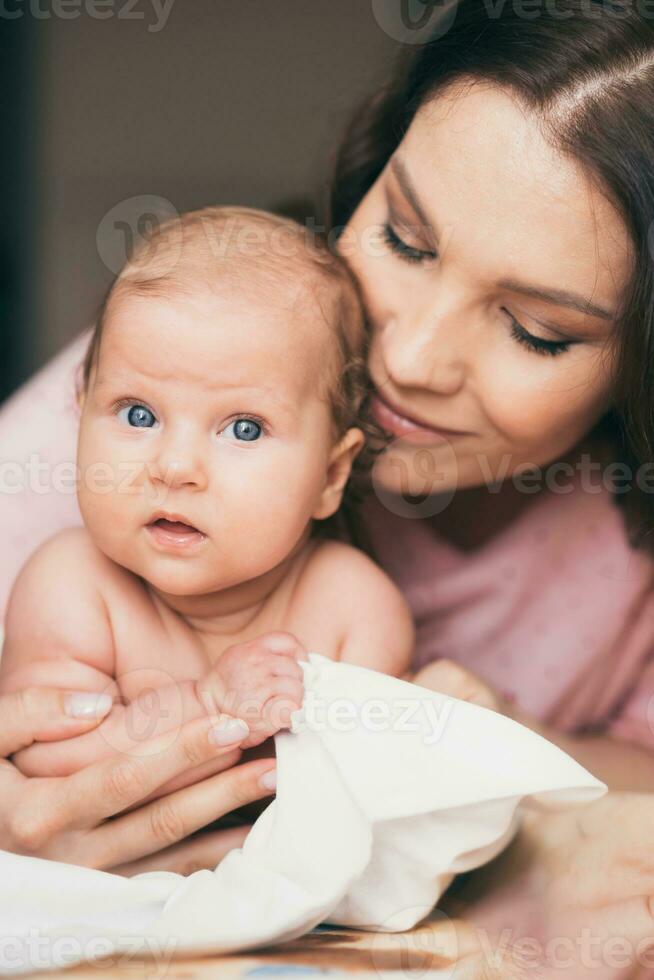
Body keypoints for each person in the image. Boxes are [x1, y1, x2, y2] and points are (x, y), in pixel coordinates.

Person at [3, 0, 654, 972]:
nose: (413, 355)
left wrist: (481, 748)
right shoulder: (175, 373)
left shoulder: (615, 558)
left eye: (536, 330)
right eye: (404, 237)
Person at [0, 204, 412, 787]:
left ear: (329, 475)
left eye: (244, 428)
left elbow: (373, 789)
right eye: (138, 414)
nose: (174, 467)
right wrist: (207, 704)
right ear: (80, 411)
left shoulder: (352, 607)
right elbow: (46, 755)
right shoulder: (72, 585)